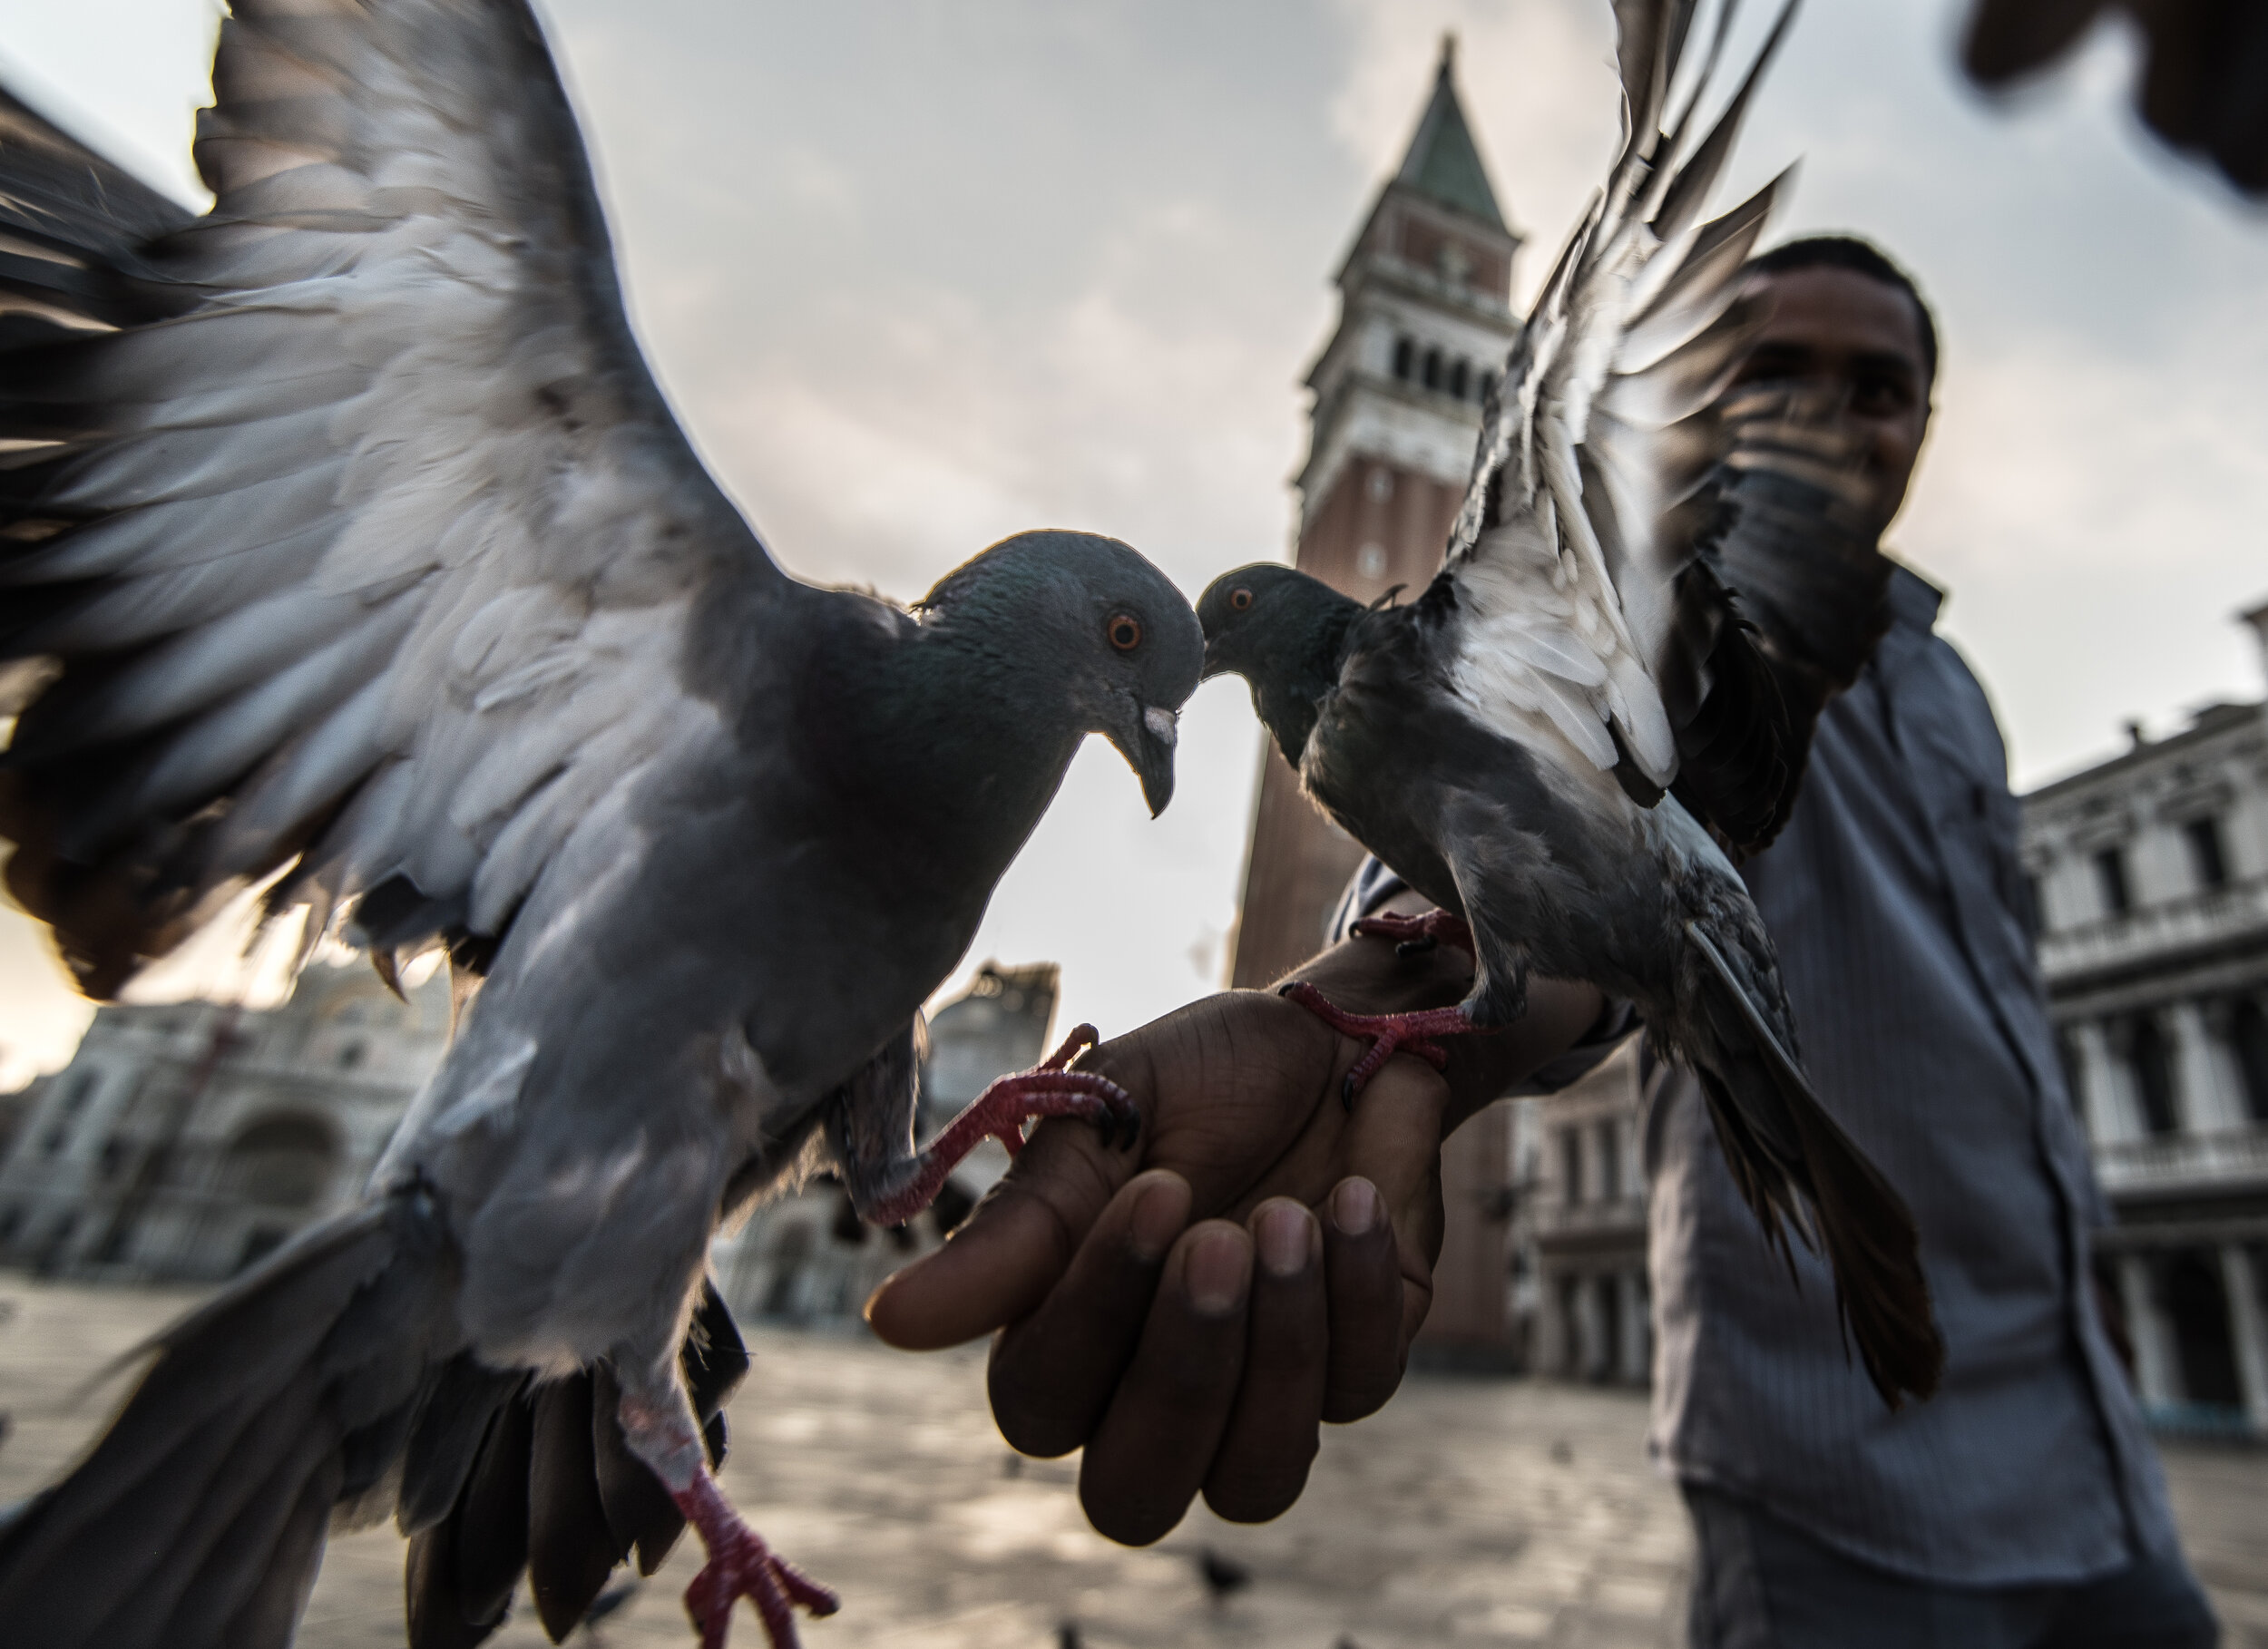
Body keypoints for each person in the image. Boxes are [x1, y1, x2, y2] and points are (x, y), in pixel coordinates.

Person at [868, 237, 2219, 1647]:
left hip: (2100, 1460)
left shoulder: (1953, 688)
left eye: (1876, 385)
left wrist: (2092, 1307)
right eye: (1776, 372)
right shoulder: (1652, 639)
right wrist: (1362, 1005)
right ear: (1700, 409)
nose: (1828, 413)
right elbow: (1514, 841)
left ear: (1924, 425)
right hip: (1846, 1487)